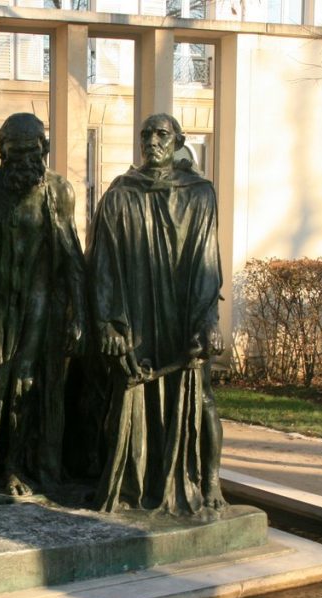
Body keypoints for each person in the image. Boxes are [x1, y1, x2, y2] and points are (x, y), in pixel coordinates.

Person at [89, 113, 226, 517]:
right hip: (135, 315)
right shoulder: (119, 193)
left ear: (179, 140)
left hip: (182, 313)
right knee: (125, 400)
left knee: (201, 399)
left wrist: (208, 322)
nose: (151, 140)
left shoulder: (200, 193)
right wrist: (108, 322)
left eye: (161, 134)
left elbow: (206, 260)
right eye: (145, 134)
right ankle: (131, 484)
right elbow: (102, 263)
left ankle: (211, 482)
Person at [0, 113, 86, 496]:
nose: (26, 162)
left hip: (38, 304)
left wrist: (79, 311)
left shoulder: (57, 191)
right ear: (1, 152)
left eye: (33, 153)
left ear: (44, 149)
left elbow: (71, 256)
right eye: (16, 155)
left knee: (24, 385)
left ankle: (17, 467)